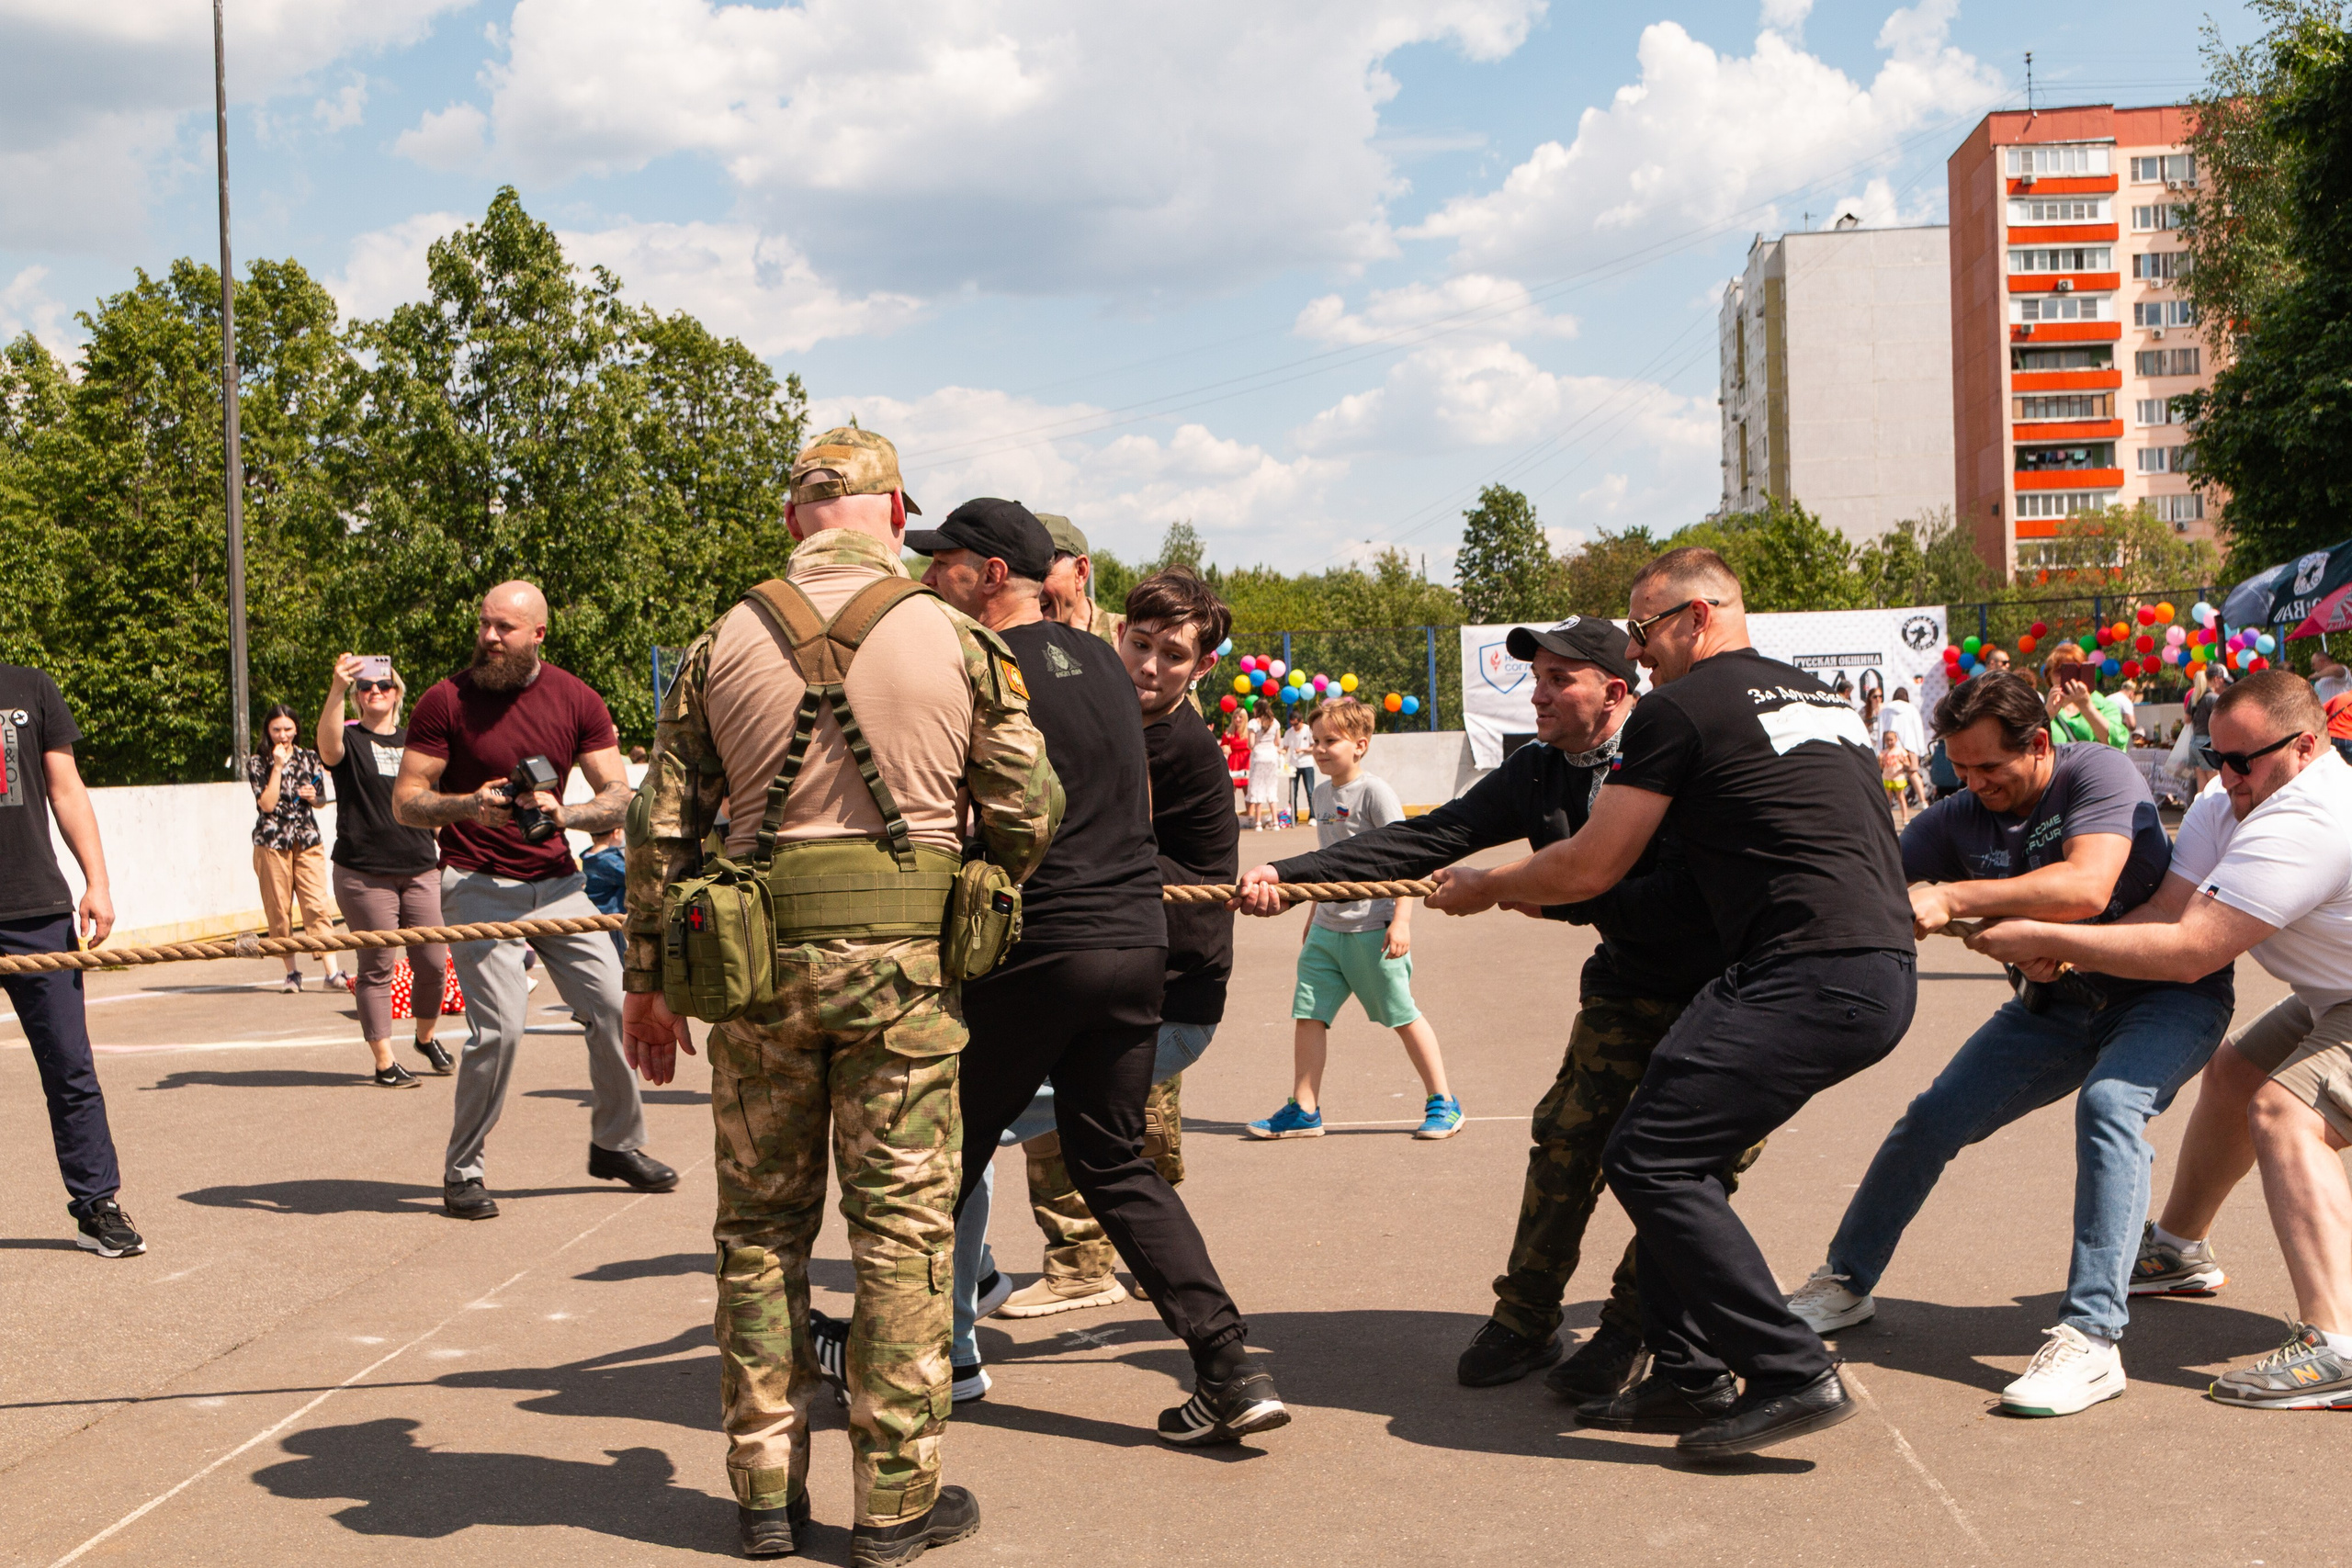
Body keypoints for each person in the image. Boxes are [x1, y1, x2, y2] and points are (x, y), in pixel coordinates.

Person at [624, 432, 1059, 1561]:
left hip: (757, 978)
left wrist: (647, 987)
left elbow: (657, 830)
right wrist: (972, 874)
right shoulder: (953, 635)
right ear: (897, 512)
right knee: (903, 1237)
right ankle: (895, 1506)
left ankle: (766, 1496)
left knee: (758, 1235)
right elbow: (1027, 808)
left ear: (792, 521)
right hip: (907, 982)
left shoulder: (724, 639)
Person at [1423, 547, 1917, 1460]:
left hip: (1803, 970)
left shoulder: (1682, 708)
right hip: (1870, 966)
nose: (1639, 655)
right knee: (1668, 1147)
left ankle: (1786, 1368)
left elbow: (1591, 864)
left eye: (1645, 631)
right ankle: (1685, 1378)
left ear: (1695, 616)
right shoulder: (1820, 701)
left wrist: (1489, 887)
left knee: (1649, 1159)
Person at [1235, 615, 1738, 1397]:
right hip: (1630, 980)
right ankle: (1528, 1316)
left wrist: (1539, 896)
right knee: (1566, 1138)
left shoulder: (1671, 753)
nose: (1536, 694)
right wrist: (1287, 871)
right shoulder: (1541, 768)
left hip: (1732, 993)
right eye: (1534, 678)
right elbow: (1427, 839)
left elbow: (1669, 889)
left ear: (1613, 690)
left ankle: (1630, 1326)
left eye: (1557, 679)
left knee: (1679, 1168)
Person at [919, 497, 1287, 1448]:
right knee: (1109, 1157)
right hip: (1134, 953)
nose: (928, 578)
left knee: (936, 1150)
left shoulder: (982, 661)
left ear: (993, 575)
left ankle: (908, 1359)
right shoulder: (1097, 670)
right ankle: (1229, 1363)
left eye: (946, 563)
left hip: (1046, 947)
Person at [1782, 671, 2233, 1416]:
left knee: (2111, 1104)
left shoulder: (2098, 770)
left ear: (2040, 743)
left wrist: (1956, 897)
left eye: (1991, 766)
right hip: (2055, 1009)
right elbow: (1872, 891)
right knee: (1930, 1120)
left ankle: (2091, 1339)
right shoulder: (1958, 816)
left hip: (2167, 996)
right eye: (1960, 768)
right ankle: (1845, 1281)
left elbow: (2087, 886)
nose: (1975, 784)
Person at [1968, 672, 2352, 1408]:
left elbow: (2191, 950)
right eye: (2216, 751)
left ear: (2307, 746)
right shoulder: (2225, 800)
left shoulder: (2310, 817)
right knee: (2236, 1071)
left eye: (2246, 759)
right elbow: (2169, 908)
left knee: (2284, 1112)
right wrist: (2074, 944)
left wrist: (2045, 935)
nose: (2226, 773)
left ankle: (2336, 1347)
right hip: (2335, 994)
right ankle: (2177, 1250)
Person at [964, 569, 1241, 1337]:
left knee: (958, 1130)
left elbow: (1154, 871)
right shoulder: (1119, 716)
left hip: (1168, 1001)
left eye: (1174, 656)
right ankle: (1222, 1354)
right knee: (1102, 1155)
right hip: (1132, 981)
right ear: (1118, 636)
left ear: (1203, 667)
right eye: (1141, 644)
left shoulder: (1174, 745)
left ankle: (953, 1320)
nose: (1150, 667)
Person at [393, 581, 675, 1221]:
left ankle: (615, 1144)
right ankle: (462, 1171)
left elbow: (618, 794)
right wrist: (469, 806)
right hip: (476, 882)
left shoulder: (576, 698)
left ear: (538, 634)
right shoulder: (445, 700)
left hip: (559, 885)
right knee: (501, 1030)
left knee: (613, 1006)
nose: (490, 637)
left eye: (505, 628)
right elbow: (406, 800)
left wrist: (565, 812)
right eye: (485, 625)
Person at [1246, 699, 1461, 1141]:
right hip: (1327, 929)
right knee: (1309, 1014)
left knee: (1401, 1014)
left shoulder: (1374, 793)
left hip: (1373, 930)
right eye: (1316, 741)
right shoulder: (1321, 794)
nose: (1320, 750)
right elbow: (1327, 862)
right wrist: (1312, 912)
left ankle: (1444, 1101)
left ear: (1360, 745)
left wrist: (1401, 921)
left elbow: (1408, 859)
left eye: (1331, 741)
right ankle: (1304, 1109)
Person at [2, 661, 142, 1258]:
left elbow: (65, 787)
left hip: (35, 909)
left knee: (70, 1068)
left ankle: (96, 1206)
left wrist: (98, 882)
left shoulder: (29, 687)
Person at [316, 655, 451, 1088]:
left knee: (432, 962)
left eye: (385, 686)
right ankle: (383, 1063)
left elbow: (436, 798)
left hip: (420, 867)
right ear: (357, 697)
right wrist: (336, 688)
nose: (376, 691)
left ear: (397, 694)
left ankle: (426, 1038)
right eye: (366, 687)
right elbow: (327, 746)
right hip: (364, 873)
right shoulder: (350, 741)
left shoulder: (416, 742)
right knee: (377, 965)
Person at [248, 704, 347, 995]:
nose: (283, 735)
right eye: (276, 729)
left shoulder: (310, 757)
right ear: (268, 730)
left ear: (296, 729)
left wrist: (313, 796)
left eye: (288, 729)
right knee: (279, 910)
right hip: (271, 842)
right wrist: (277, 766)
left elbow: (321, 799)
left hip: (307, 838)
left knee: (317, 904)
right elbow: (266, 804)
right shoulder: (258, 762)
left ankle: (331, 972)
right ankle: (291, 973)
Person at [2044, 653, 2126, 750]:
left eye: (2073, 671)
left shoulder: (2106, 706)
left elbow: (2117, 743)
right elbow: (2026, 744)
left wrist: (2086, 706)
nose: (2066, 677)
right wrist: (2047, 715)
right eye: (2059, 671)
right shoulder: (2039, 709)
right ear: (2049, 676)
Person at [580, 825, 628, 959]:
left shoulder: (589, 856)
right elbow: (633, 878)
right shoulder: (609, 861)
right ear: (616, 833)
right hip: (611, 915)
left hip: (597, 912)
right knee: (618, 957)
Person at [1244, 711, 1282, 830]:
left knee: (1257, 788)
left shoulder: (1254, 723)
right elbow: (1278, 742)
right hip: (1272, 755)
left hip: (1259, 756)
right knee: (1271, 787)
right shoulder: (1275, 722)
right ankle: (1276, 822)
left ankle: (1258, 822)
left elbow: (1251, 744)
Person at [1878, 729, 1917, 827]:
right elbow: (1882, 767)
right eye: (1887, 740)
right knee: (1887, 799)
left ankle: (1905, 817)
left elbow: (1908, 764)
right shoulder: (1883, 752)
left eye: (1891, 740)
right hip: (1887, 777)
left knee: (1901, 798)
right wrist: (1880, 761)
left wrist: (1903, 762)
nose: (1890, 742)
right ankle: (1886, 819)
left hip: (1898, 777)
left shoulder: (1900, 750)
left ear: (1896, 739)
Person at [1284, 712, 1317, 821]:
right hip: (1293, 766)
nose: (1294, 727)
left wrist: (1302, 750)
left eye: (1296, 724)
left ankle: (1312, 816)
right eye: (1292, 724)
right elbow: (1285, 748)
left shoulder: (1308, 730)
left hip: (1307, 764)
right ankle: (1294, 817)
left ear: (1301, 721)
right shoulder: (1289, 732)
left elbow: (1314, 747)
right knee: (1293, 793)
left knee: (1310, 791)